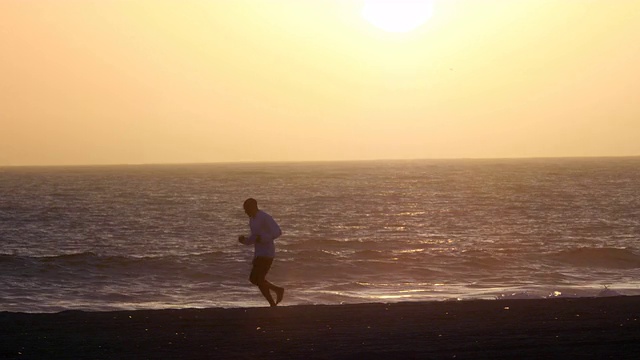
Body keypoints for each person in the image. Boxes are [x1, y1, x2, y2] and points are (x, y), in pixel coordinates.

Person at [238, 198, 285, 307]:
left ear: (253, 207)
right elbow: (255, 238)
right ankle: (276, 295)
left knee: (257, 279)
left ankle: (276, 294)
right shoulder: (252, 220)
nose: (245, 212)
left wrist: (263, 238)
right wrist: (244, 241)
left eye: (246, 209)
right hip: (259, 253)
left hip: (267, 253)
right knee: (255, 279)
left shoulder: (264, 217)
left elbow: (277, 232)